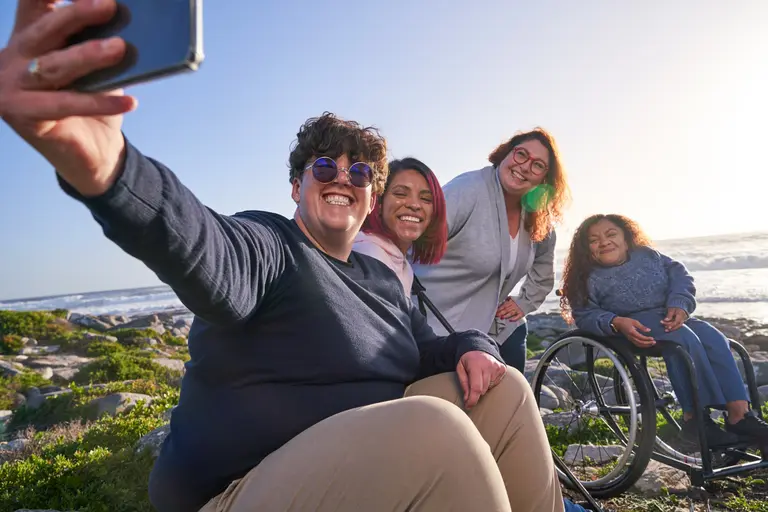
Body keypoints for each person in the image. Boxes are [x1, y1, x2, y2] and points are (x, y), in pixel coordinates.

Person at [0, 3, 565, 511]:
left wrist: (472, 345)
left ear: (371, 195)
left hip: (360, 469)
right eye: (324, 167)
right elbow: (202, 245)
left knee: (505, 392)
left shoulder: (380, 278)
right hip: (239, 488)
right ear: (297, 185)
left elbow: (425, 348)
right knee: (436, 429)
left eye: (361, 171)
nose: (343, 178)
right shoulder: (270, 246)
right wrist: (113, 169)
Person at [559, 213, 768, 449]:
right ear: (587, 249)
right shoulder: (586, 278)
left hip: (669, 315)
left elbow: (680, 276)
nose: (604, 242)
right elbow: (585, 315)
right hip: (633, 325)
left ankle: (739, 415)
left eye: (611, 234)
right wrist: (616, 321)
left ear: (627, 238)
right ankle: (694, 420)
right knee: (682, 341)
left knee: (714, 337)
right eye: (594, 240)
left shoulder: (649, 256)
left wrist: (680, 303)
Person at [412, 128, 570, 372]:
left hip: (485, 324)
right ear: (506, 154)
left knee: (515, 332)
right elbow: (410, 238)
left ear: (545, 180)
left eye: (538, 165)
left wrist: (524, 302)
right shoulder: (468, 189)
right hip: (431, 320)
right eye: (521, 154)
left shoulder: (538, 220)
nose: (525, 166)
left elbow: (542, 274)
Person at [353, 157, 447, 295]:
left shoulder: (404, 267)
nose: (414, 205)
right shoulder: (369, 255)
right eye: (400, 194)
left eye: (426, 199)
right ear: (378, 203)